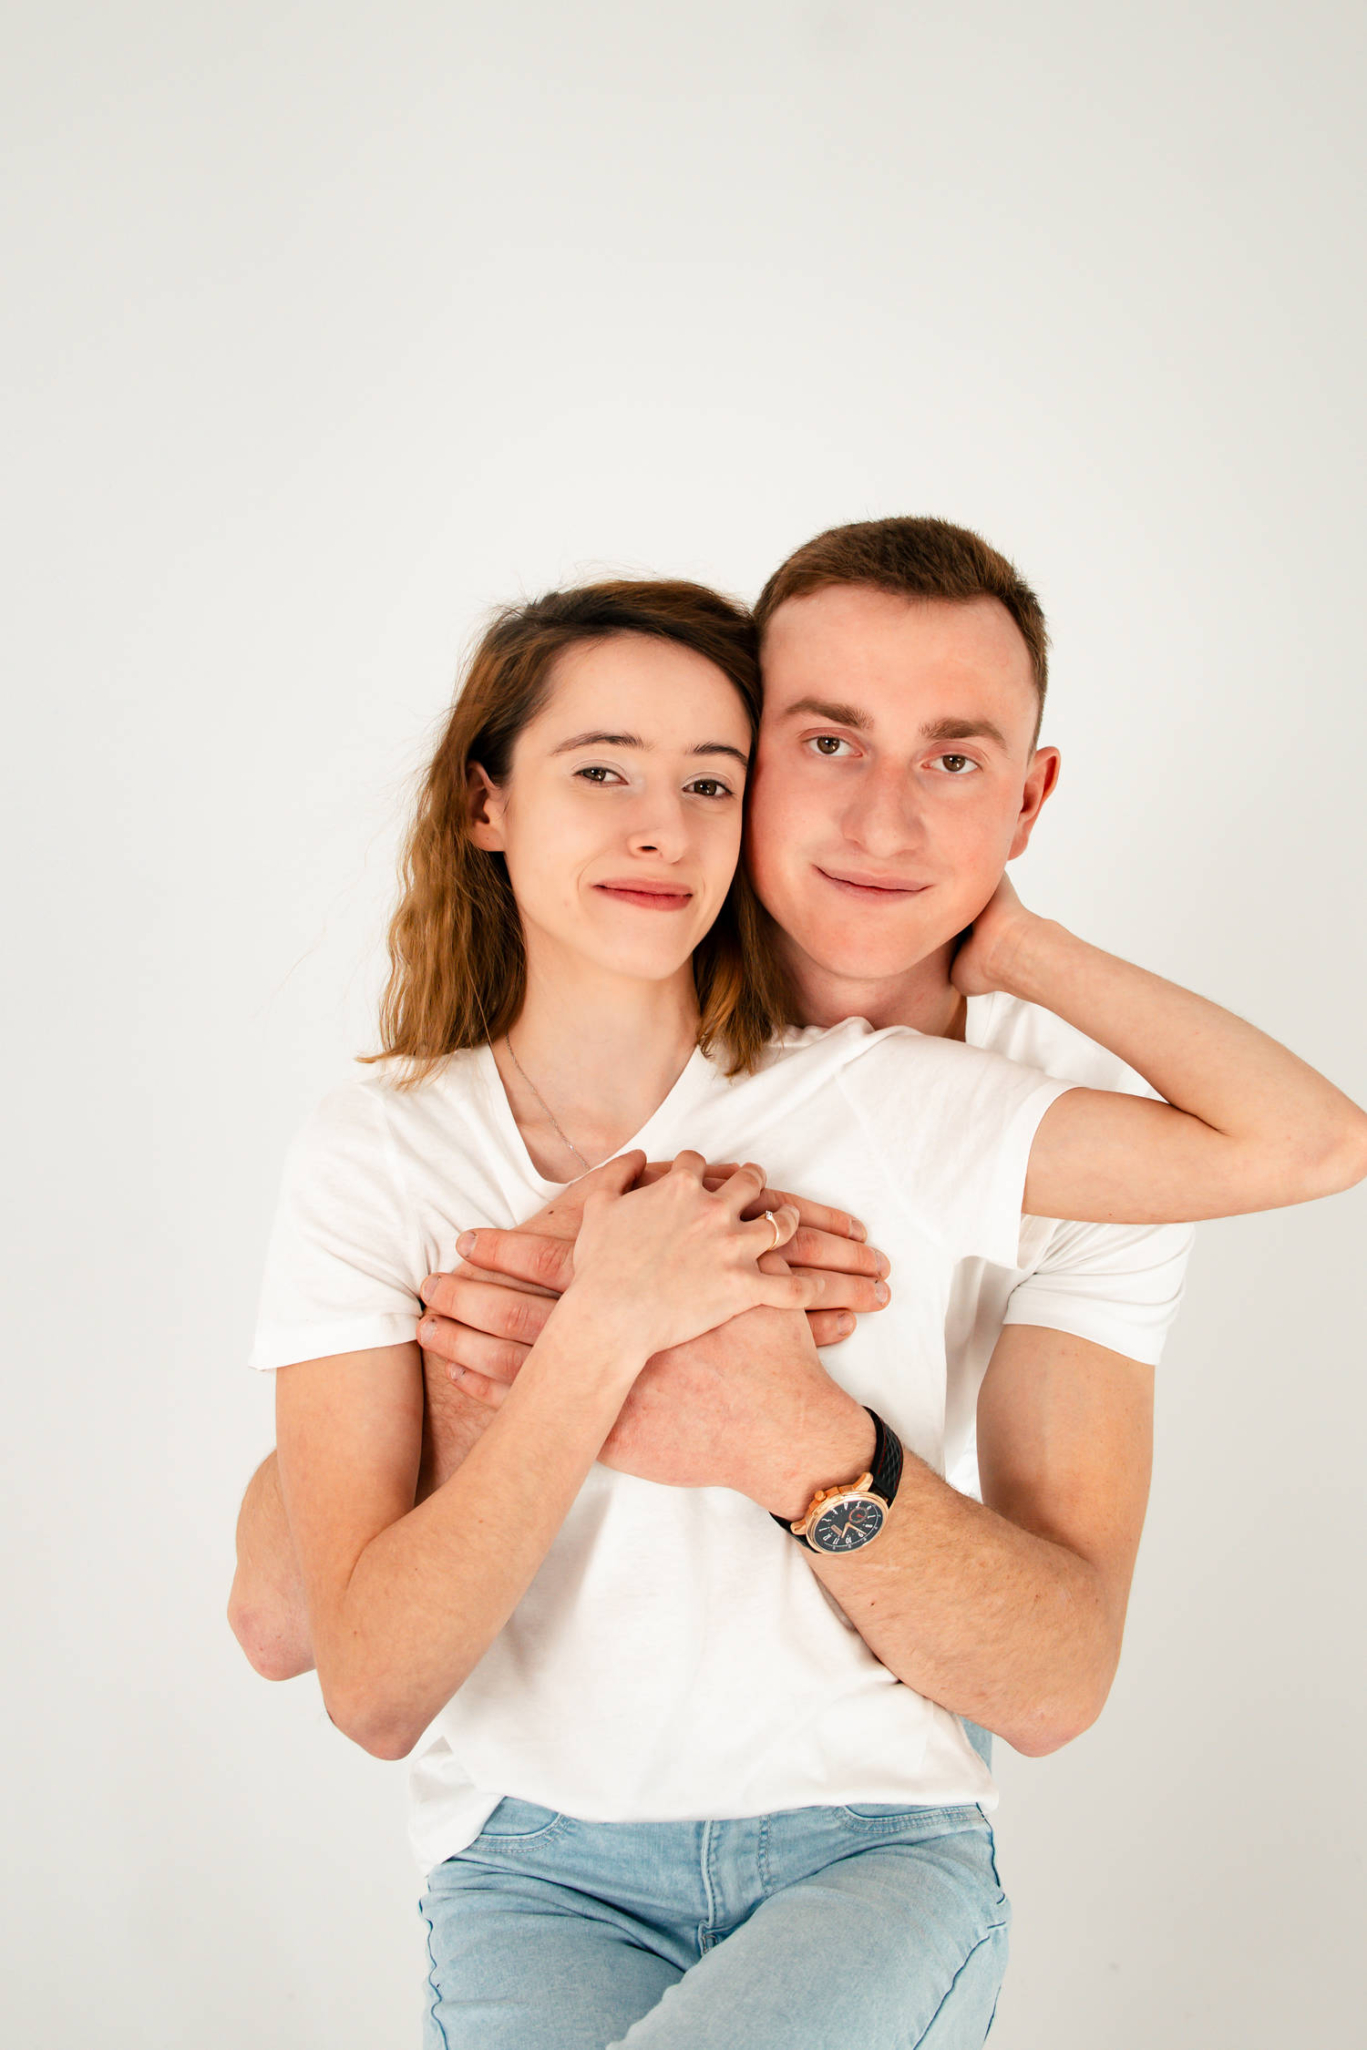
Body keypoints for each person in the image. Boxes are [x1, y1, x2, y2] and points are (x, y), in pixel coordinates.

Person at [233, 550, 1366, 2049]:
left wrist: (1014, 943)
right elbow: (319, 1646)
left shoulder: (896, 1097)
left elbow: (1307, 1146)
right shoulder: (383, 1145)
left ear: (1025, 800)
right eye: (826, 743)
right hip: (534, 1862)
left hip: (864, 1828)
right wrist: (589, 1310)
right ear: (486, 802)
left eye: (704, 780)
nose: (882, 821)